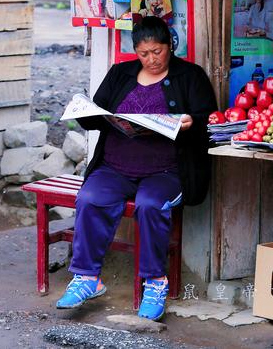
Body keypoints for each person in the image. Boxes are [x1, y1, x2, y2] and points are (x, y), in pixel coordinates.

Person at [56, 16, 217, 321]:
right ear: (136, 51)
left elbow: (209, 120)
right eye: (144, 54)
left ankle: (155, 282)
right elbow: (97, 113)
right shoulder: (120, 74)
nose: (151, 59)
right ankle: (88, 279)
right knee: (90, 198)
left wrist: (191, 122)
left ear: (170, 46)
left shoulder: (190, 76)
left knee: (150, 204)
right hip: (115, 167)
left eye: (157, 51)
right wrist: (84, 112)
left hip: (167, 171)